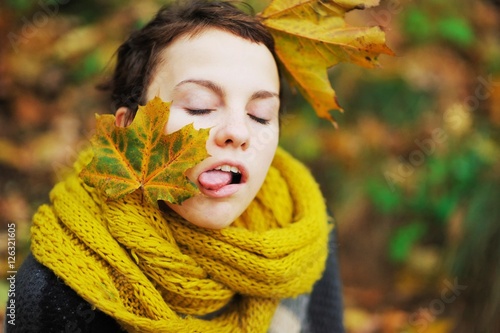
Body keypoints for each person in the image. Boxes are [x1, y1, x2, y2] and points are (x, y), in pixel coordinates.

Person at [6, 1, 344, 332]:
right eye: (200, 107)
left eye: (260, 115)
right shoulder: (56, 288)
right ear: (130, 131)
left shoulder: (304, 234)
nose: (238, 133)